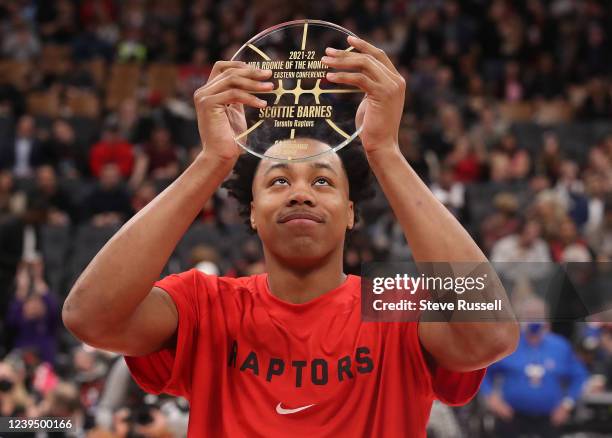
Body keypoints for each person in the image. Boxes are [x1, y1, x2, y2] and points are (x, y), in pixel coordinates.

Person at [62, 35, 519, 436]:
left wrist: (386, 152)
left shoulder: (397, 305)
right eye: (278, 181)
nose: (300, 194)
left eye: (322, 181)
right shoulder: (205, 303)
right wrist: (211, 162)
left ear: (350, 214)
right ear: (253, 215)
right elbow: (90, 317)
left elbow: (490, 337)